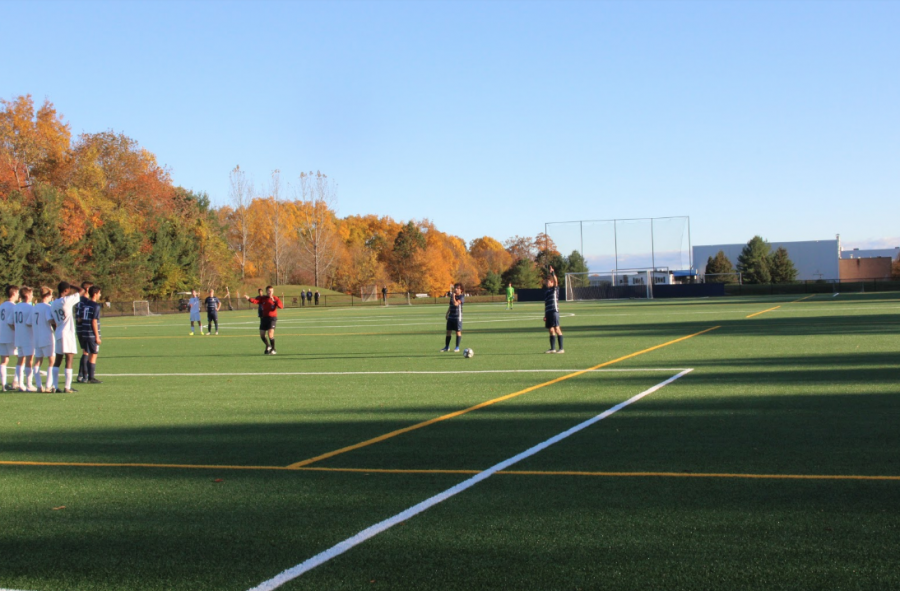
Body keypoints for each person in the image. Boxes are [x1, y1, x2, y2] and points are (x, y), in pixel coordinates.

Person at [51, 281, 82, 393]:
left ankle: (54, 386)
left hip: (59, 332)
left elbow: (52, 321)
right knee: (69, 359)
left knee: (58, 360)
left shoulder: (53, 303)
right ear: (66, 290)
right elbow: (82, 291)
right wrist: (72, 285)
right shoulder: (66, 300)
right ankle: (67, 387)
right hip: (67, 333)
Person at [245, 286, 283, 355]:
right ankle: (268, 345)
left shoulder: (275, 298)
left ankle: (273, 349)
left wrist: (274, 301)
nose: (270, 292)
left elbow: (281, 306)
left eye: (271, 291)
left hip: (272, 318)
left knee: (270, 334)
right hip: (264, 318)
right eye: (269, 291)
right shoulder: (263, 298)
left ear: (273, 291)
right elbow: (256, 301)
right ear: (266, 292)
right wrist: (249, 299)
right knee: (262, 335)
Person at [76, 285, 103, 384]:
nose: (100, 295)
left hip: (84, 332)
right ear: (95, 294)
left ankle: (84, 376)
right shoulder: (95, 306)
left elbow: (80, 319)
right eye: (99, 293)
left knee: (86, 353)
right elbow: (94, 321)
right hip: (91, 334)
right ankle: (91, 377)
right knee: (93, 355)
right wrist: (97, 336)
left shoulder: (85, 304)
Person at [33, 287, 57, 393]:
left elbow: (29, 322)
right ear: (48, 295)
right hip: (47, 337)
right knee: (51, 361)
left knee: (37, 362)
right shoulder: (47, 307)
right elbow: (50, 320)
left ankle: (39, 386)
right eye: (51, 295)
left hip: (37, 337)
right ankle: (48, 386)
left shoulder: (34, 307)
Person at [14, 286, 36, 391]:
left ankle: (20, 384)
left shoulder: (16, 307)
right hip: (28, 337)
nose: (32, 296)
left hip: (18, 336)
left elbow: (10, 323)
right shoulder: (31, 308)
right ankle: (29, 385)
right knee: (29, 360)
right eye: (31, 294)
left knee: (20, 360)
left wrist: (18, 329)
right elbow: (31, 323)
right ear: (27, 295)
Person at [0, 285, 19, 391]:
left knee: (4, 360)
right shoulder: (14, 306)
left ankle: (4, 384)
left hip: (2, 335)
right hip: (11, 335)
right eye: (17, 292)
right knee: (21, 358)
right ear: (14, 293)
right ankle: (15, 382)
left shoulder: (2, 305)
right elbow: (12, 322)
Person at [543, 266, 564, 354]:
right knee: (551, 330)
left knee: (557, 329)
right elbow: (546, 304)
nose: (546, 283)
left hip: (554, 312)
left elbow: (556, 281)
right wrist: (545, 315)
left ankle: (561, 348)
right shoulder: (547, 292)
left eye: (547, 282)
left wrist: (553, 273)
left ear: (551, 282)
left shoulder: (554, 289)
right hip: (548, 313)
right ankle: (552, 348)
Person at [440, 283, 464, 353]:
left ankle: (457, 347)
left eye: (458, 288)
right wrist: (447, 313)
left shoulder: (461, 297)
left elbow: (456, 304)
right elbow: (451, 305)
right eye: (455, 288)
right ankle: (447, 347)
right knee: (448, 331)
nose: (456, 289)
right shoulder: (452, 296)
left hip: (457, 317)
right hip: (451, 316)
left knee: (458, 332)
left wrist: (453, 297)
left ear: (461, 290)